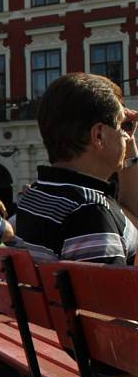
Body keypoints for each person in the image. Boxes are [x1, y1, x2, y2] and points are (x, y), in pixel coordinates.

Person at [17, 72, 138, 264]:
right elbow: (108, 293)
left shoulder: (36, 197)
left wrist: (128, 148)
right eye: (121, 126)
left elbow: (131, 219)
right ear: (98, 135)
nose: (126, 135)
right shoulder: (91, 212)